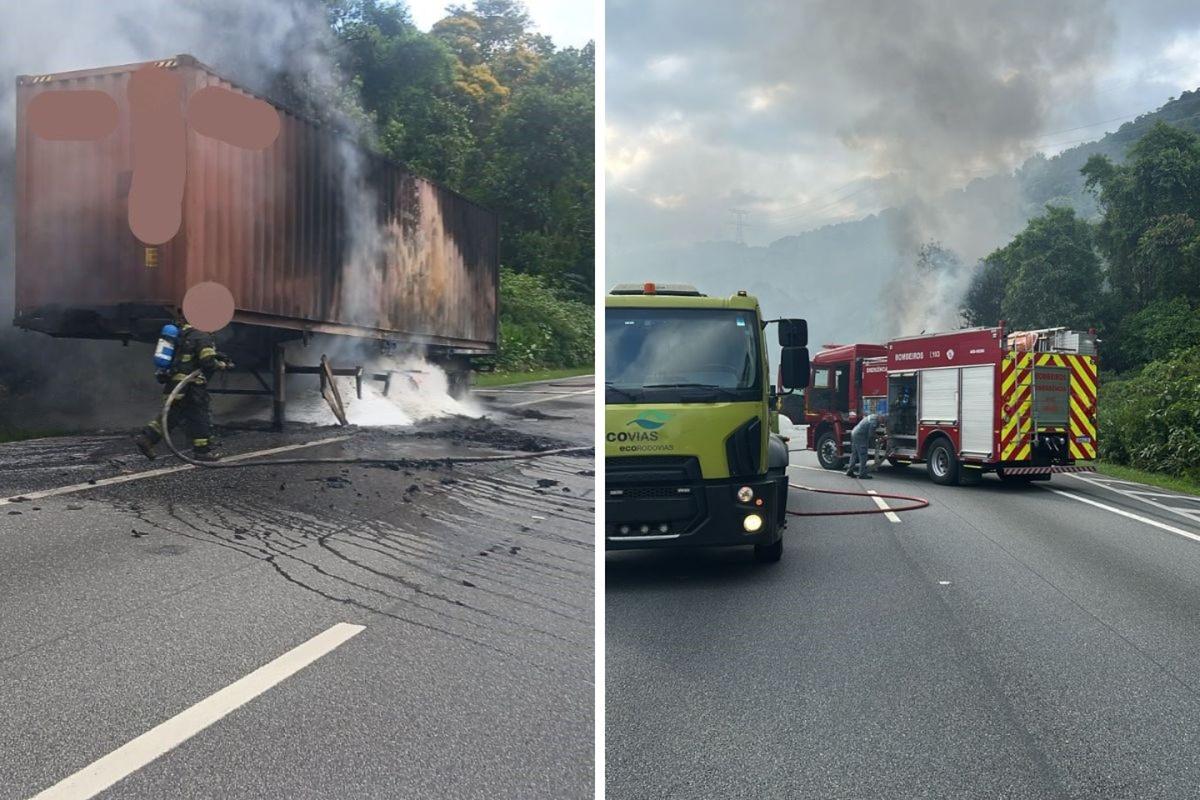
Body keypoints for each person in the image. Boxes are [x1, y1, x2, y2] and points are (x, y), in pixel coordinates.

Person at [133, 319, 232, 461]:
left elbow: (189, 356)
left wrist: (217, 355)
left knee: (173, 415)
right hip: (191, 386)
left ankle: (147, 438)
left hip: (175, 384)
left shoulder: (183, 333)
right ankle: (202, 451)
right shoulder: (202, 335)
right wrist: (222, 365)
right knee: (198, 416)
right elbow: (207, 362)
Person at [845, 413, 880, 479]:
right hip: (860, 436)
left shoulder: (872, 416)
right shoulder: (874, 421)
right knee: (863, 455)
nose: (882, 422)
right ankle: (862, 474)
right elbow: (871, 434)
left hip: (854, 433)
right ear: (881, 418)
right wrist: (879, 437)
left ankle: (849, 471)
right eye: (883, 420)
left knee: (854, 454)